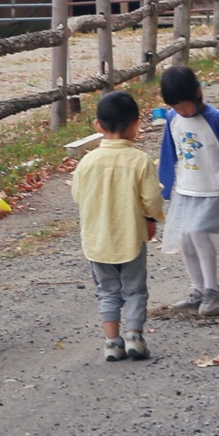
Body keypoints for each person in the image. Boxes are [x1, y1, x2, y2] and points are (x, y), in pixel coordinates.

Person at [70, 90, 165, 362]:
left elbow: (78, 196)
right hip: (131, 237)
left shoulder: (86, 162)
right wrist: (151, 219)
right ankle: (134, 336)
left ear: (97, 126)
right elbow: (151, 199)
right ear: (136, 125)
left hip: (97, 241)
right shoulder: (139, 161)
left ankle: (112, 342)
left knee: (107, 291)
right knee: (135, 289)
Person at [157, 65, 219, 318]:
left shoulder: (214, 118)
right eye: (176, 107)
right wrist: (164, 187)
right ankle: (198, 290)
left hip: (214, 189)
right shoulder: (171, 119)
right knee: (185, 239)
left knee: (196, 233)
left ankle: (214, 292)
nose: (183, 111)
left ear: (198, 93)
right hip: (187, 189)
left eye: (185, 105)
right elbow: (168, 154)